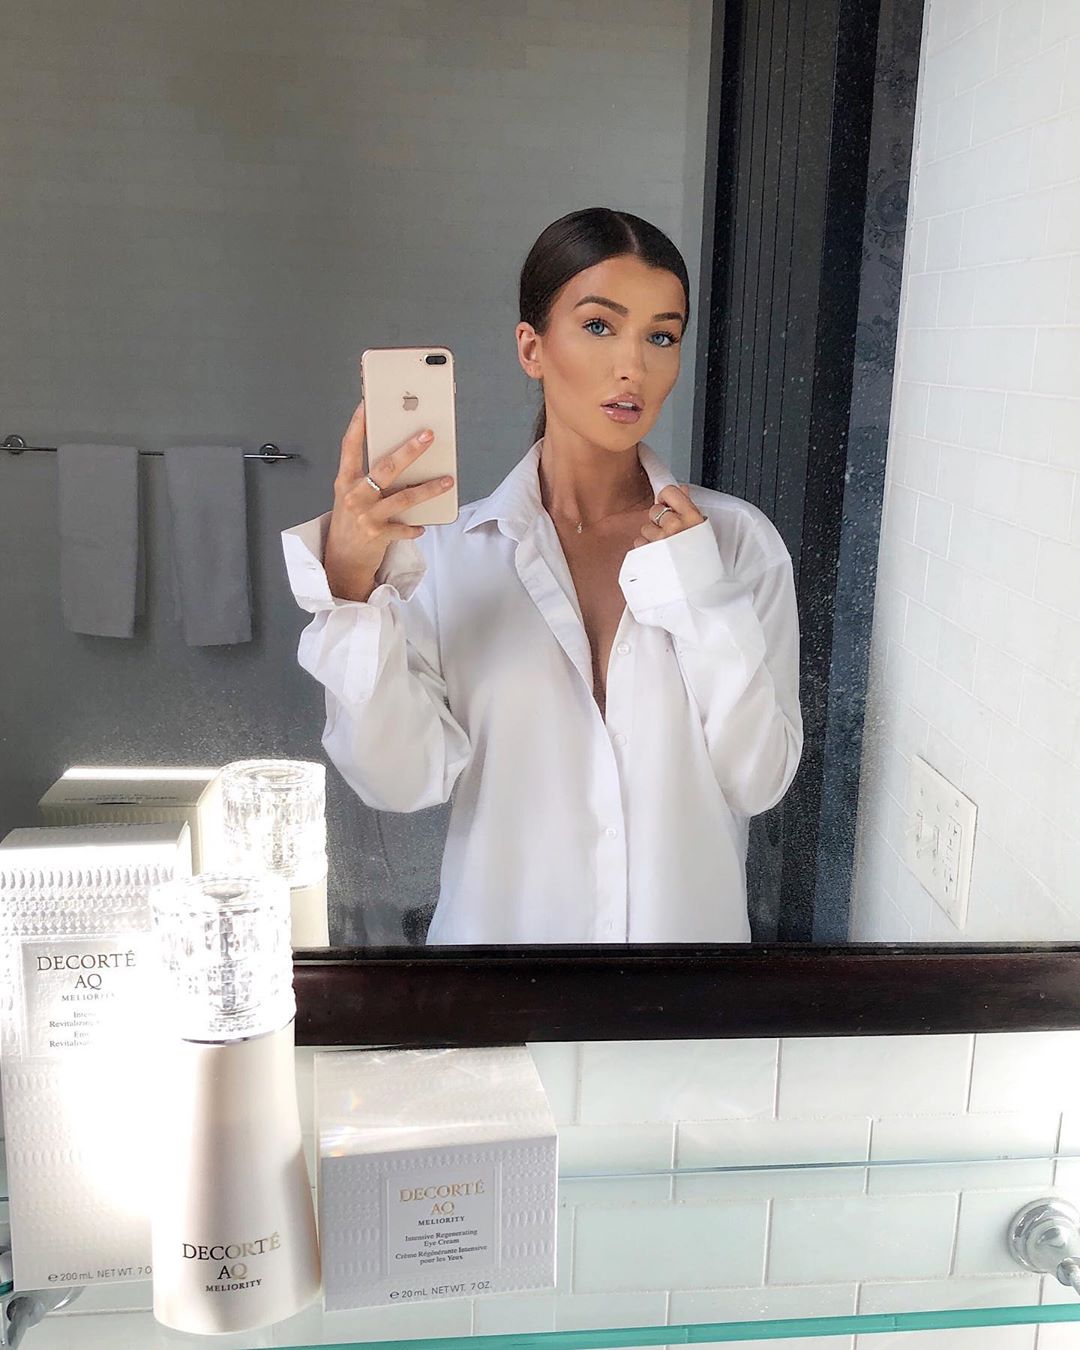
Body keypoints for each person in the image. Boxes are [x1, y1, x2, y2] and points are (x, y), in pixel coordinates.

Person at [282, 207, 803, 944]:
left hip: (683, 995)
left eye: (662, 336)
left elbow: (758, 778)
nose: (633, 365)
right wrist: (352, 593)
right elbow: (398, 780)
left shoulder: (735, 543)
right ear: (532, 348)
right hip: (499, 989)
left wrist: (700, 595)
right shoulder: (445, 558)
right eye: (599, 326)